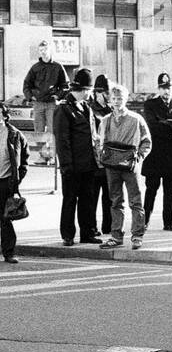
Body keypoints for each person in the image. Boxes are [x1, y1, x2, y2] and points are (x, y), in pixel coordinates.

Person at [95, 82, 152, 250]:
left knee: (135, 201)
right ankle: (116, 235)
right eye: (114, 98)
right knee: (115, 201)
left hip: (130, 166)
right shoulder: (105, 120)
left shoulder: (136, 119)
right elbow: (98, 141)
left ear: (125, 99)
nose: (117, 101)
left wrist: (138, 158)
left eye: (120, 98)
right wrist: (101, 157)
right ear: (109, 100)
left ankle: (137, 236)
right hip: (111, 165)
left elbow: (146, 142)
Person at [53, 68, 102, 246]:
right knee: (70, 199)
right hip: (72, 165)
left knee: (87, 200)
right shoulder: (64, 109)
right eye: (89, 91)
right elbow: (62, 141)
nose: (90, 95)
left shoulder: (85, 107)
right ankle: (67, 234)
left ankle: (87, 233)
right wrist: (66, 166)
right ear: (83, 90)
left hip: (88, 163)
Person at [141, 73, 172, 232]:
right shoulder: (150, 104)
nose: (166, 91)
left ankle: (169, 222)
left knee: (171, 191)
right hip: (155, 153)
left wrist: (167, 123)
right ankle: (144, 220)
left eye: (168, 88)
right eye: (163, 88)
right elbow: (153, 126)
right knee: (151, 189)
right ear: (158, 89)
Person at [22, 40, 68, 165]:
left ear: (50, 50)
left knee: (53, 131)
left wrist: (57, 97)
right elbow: (26, 84)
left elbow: (65, 85)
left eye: (45, 50)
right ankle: (41, 157)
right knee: (39, 132)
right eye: (41, 50)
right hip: (38, 104)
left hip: (52, 105)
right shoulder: (35, 67)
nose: (43, 53)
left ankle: (52, 157)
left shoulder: (58, 67)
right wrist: (31, 97)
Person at [0, 101, 30, 264]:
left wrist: (17, 179)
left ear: (4, 116)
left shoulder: (14, 134)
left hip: (5, 182)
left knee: (5, 219)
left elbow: (24, 159)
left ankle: (8, 252)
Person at [88, 74, 114, 235]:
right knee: (92, 197)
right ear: (99, 93)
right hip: (95, 161)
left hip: (109, 160)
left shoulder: (110, 109)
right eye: (108, 92)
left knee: (109, 196)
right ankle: (92, 228)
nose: (110, 96)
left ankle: (108, 226)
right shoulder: (91, 110)